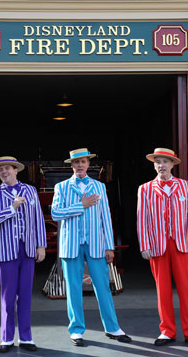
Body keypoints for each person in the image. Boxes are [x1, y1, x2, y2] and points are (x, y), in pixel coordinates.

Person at [51, 148, 132, 347]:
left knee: (103, 286)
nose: (80, 165)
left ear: (89, 164)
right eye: (76, 162)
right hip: (71, 245)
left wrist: (109, 246)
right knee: (74, 288)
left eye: (83, 161)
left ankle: (112, 327)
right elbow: (55, 213)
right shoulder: (61, 187)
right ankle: (76, 330)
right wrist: (81, 205)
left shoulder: (99, 187)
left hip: (96, 244)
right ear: (71, 165)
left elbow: (106, 217)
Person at [137, 148, 188, 346]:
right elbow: (142, 219)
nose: (161, 165)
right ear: (154, 165)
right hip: (157, 245)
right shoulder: (145, 189)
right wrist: (144, 245)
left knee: (185, 289)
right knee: (163, 290)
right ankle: (167, 331)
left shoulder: (185, 186)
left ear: (173, 164)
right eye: (158, 161)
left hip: (180, 243)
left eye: (165, 161)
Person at [0, 156, 47, 353]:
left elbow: (38, 218)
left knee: (26, 296)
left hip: (27, 249)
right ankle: (6, 338)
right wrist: (12, 208)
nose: (4, 172)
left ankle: (26, 338)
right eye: (0, 169)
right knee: (8, 296)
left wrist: (41, 246)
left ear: (16, 170)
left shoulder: (30, 190)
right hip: (6, 251)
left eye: (7, 169)